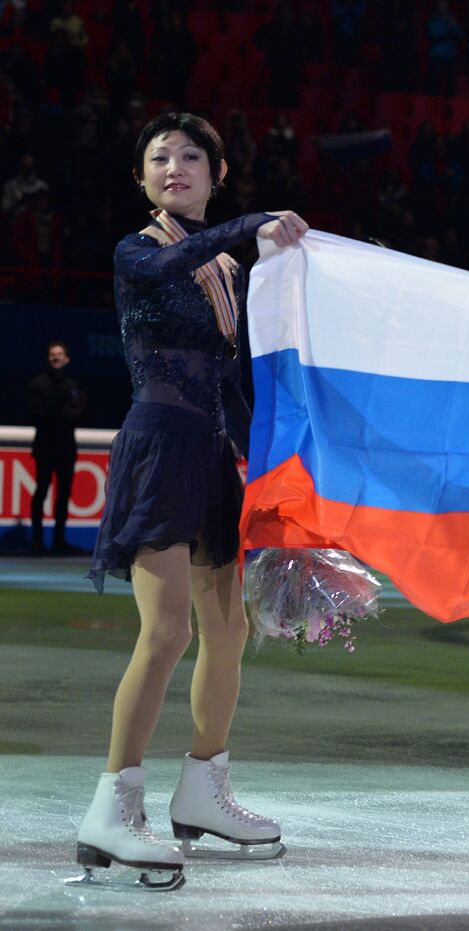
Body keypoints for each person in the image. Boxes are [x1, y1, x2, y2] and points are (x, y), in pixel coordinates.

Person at [73, 112, 308, 891]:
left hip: (211, 454)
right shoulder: (139, 251)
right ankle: (113, 802)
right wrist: (251, 225)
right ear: (142, 179)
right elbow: (174, 270)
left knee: (228, 628)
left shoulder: (228, 273)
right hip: (157, 445)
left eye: (191, 156)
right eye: (159, 157)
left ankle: (203, 789)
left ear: (217, 171)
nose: (175, 166)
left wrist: (277, 469)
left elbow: (228, 386)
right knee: (167, 629)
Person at [27, 340, 86, 555]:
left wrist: (76, 409)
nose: (56, 357)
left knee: (63, 494)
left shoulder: (73, 386)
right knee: (41, 491)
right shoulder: (37, 384)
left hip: (66, 448)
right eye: (53, 354)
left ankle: (59, 540)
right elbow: (35, 414)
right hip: (45, 447)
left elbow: (80, 415)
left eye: (60, 354)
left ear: (67, 359)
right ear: (48, 357)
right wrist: (64, 411)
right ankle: (37, 540)